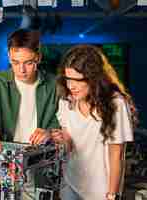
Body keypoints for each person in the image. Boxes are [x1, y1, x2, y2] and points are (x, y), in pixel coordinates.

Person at [0, 28, 60, 199]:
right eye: (15, 62)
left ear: (39, 57)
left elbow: (63, 120)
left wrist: (49, 132)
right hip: (5, 167)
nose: (22, 70)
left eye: (28, 63)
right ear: (9, 57)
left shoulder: (54, 85)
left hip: (39, 167)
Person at [55, 44, 138, 200]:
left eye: (77, 80)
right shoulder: (66, 101)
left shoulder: (116, 104)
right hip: (70, 183)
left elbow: (117, 154)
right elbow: (68, 141)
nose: (71, 86)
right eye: (68, 79)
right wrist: (59, 138)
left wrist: (112, 195)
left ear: (93, 78)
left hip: (101, 190)